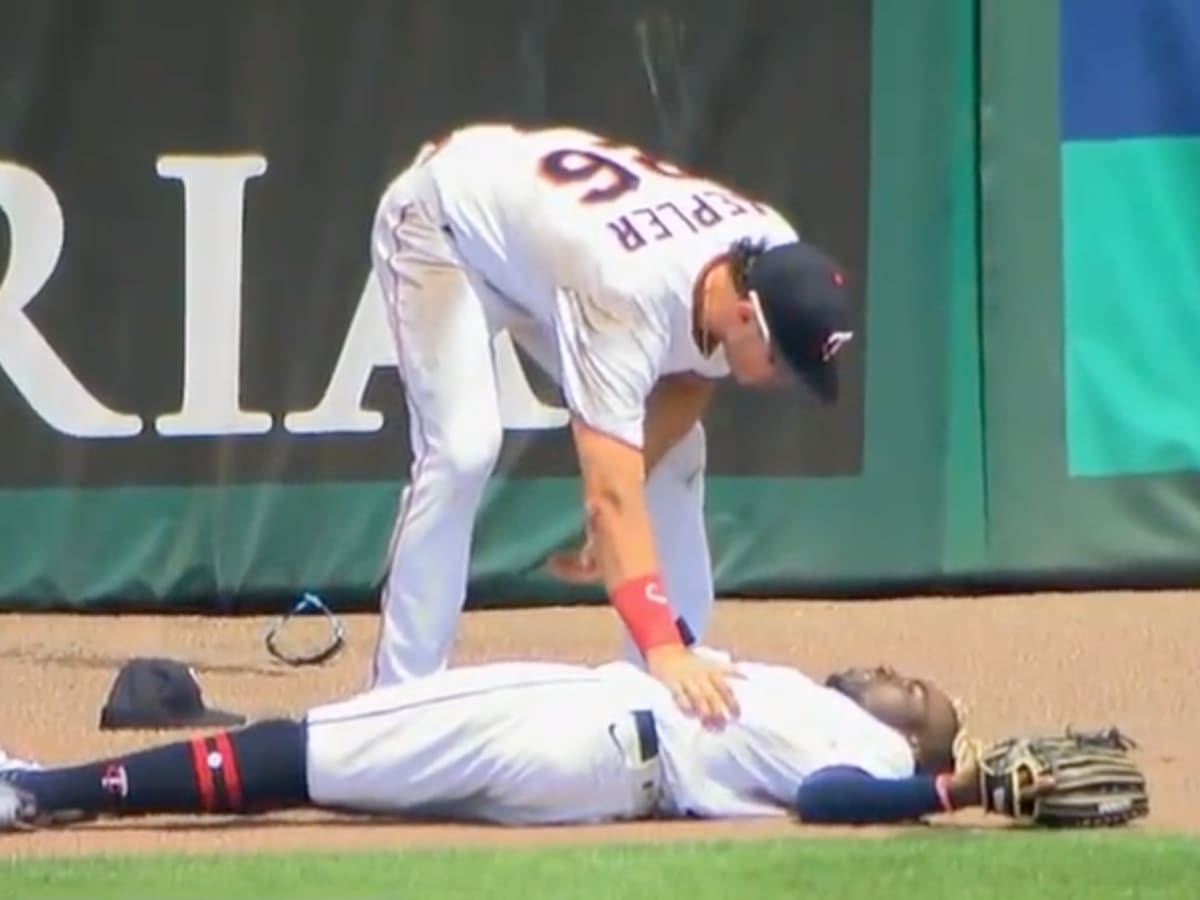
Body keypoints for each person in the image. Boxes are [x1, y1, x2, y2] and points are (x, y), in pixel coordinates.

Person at [366, 121, 856, 726]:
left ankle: (676, 685)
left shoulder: (767, 250)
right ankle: (396, 702)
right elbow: (610, 496)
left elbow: (690, 373)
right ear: (745, 315)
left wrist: (635, 485)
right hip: (443, 225)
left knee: (676, 452)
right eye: (784, 361)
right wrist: (652, 620)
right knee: (463, 448)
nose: (785, 380)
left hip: (545, 245)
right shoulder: (625, 299)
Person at [0, 656, 999, 832]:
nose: (885, 671)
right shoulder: (816, 707)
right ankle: (45, 789)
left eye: (910, 686)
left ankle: (37, 789)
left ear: (906, 726)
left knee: (306, 749)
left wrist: (950, 790)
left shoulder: (868, 753)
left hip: (578, 728)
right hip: (591, 775)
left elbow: (827, 803)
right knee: (326, 770)